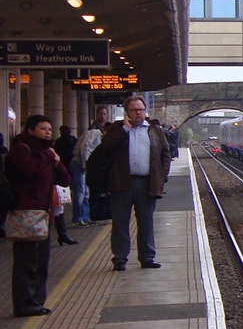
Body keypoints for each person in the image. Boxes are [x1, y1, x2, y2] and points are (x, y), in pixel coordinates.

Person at [94, 95, 172, 270]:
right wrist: (124, 129)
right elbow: (106, 146)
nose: (139, 113)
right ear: (127, 112)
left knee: (146, 221)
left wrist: (162, 176)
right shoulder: (116, 129)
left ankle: (147, 257)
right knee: (120, 221)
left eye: (141, 110)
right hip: (121, 182)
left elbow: (165, 153)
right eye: (134, 110)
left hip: (146, 183)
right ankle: (120, 257)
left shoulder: (154, 130)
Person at [7, 114, 70, 316]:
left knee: (41, 260)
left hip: (44, 216)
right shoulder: (21, 149)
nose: (47, 132)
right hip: (26, 214)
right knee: (26, 261)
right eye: (43, 129)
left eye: (50, 129)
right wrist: (48, 157)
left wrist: (57, 162)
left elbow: (65, 179)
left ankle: (37, 300)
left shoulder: (48, 153)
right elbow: (28, 168)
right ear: (31, 130)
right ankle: (24, 303)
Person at [75, 105, 107, 224]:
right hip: (80, 163)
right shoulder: (94, 130)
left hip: (87, 163)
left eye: (104, 114)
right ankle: (78, 218)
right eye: (101, 114)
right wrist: (85, 164)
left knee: (85, 192)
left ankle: (85, 216)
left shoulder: (99, 130)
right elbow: (85, 147)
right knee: (81, 191)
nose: (102, 116)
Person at [51, 126, 78, 245]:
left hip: (56, 179)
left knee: (58, 208)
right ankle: (63, 234)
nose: (47, 133)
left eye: (49, 130)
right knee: (57, 209)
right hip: (61, 174)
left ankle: (63, 234)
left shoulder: (56, 145)